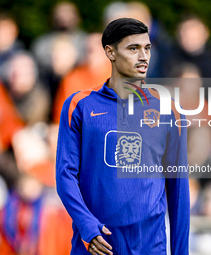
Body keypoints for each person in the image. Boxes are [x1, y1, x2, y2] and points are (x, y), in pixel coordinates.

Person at [56, 18, 190, 255]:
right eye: (133, 48)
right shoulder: (79, 106)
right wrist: (88, 227)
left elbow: (178, 192)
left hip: (151, 248)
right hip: (94, 248)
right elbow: (65, 176)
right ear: (110, 52)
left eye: (147, 48)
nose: (143, 56)